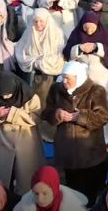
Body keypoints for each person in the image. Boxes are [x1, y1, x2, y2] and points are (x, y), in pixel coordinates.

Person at [42, 61, 108, 200]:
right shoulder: (56, 90)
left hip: (90, 155)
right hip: (65, 153)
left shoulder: (96, 91)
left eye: (68, 78)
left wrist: (81, 116)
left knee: (89, 195)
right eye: (63, 77)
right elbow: (46, 113)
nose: (64, 81)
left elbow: (104, 117)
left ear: (78, 77)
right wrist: (57, 114)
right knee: (70, 196)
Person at [0, 72, 44, 196]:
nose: (5, 97)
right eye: (3, 95)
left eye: (9, 94)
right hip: (3, 141)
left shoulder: (30, 96)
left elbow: (37, 118)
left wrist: (14, 114)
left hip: (26, 141)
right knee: (3, 178)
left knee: (26, 179)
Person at [15, 8, 65, 141]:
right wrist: (33, 61)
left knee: (48, 104)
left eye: (41, 21)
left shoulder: (56, 34)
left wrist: (41, 61)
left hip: (49, 76)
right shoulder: (28, 33)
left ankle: (48, 134)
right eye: (35, 21)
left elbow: (57, 56)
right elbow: (21, 52)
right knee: (33, 105)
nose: (38, 24)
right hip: (32, 76)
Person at [13, 166, 88, 211]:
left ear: (54, 190)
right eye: (36, 193)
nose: (40, 199)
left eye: (45, 193)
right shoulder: (23, 206)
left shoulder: (74, 207)